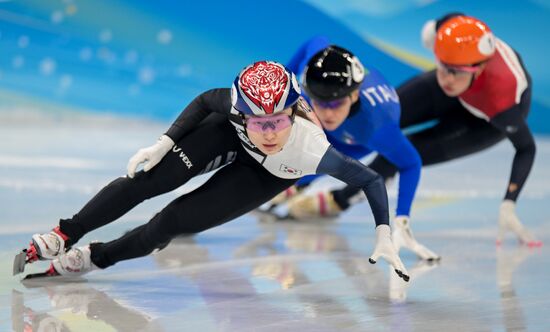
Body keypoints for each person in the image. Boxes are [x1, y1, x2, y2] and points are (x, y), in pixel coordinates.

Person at [17, 61, 409, 281]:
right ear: (242, 111)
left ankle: (94, 258)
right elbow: (206, 100)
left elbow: (370, 179)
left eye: (277, 121)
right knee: (148, 180)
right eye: (258, 121)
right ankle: (63, 233)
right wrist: (166, 142)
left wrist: (384, 233)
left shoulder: (312, 151)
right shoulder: (236, 106)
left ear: (292, 113)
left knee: (169, 223)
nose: (268, 133)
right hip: (227, 137)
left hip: (268, 175)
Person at [338, 13, 541, 246]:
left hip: (482, 124)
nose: (446, 78)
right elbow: (449, 71)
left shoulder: (501, 102)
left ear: (479, 67)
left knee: (394, 156)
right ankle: (303, 178)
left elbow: (526, 148)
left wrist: (509, 203)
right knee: (373, 120)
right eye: (442, 66)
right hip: (465, 90)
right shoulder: (449, 33)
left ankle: (337, 201)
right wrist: (449, 70)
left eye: (454, 72)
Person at [271, 37, 439, 261]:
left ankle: (296, 186)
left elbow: (411, 163)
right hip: (344, 123)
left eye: (336, 104)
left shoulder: (376, 128)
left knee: (323, 163)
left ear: (354, 94)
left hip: (355, 138)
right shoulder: (316, 68)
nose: (328, 114)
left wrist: (402, 219)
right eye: (321, 103)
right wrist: (281, 83)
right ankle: (291, 187)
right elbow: (314, 40)